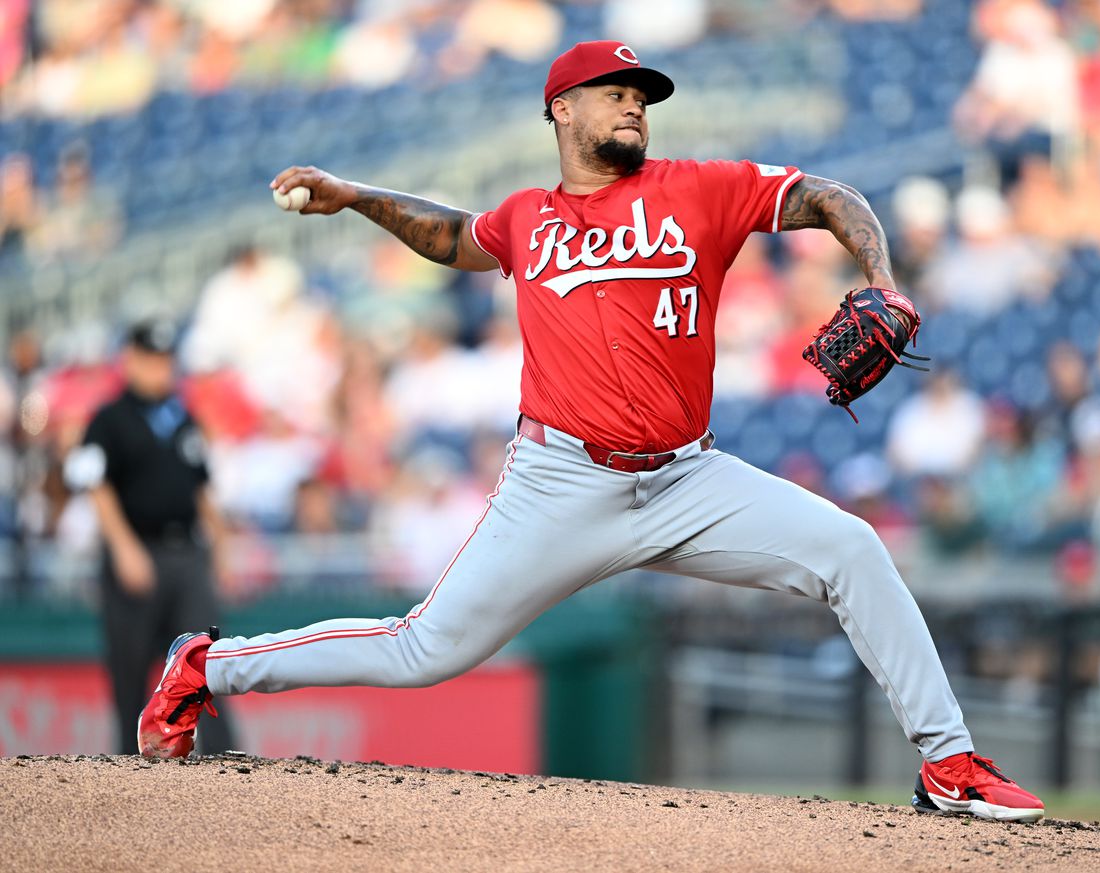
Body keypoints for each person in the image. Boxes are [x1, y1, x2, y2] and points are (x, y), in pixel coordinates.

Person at [138, 40, 1044, 822]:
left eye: (643, 98)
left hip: (689, 480)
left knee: (852, 549)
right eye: (617, 93)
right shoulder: (528, 219)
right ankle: (208, 667)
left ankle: (948, 762)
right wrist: (353, 194)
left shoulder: (703, 191)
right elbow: (451, 233)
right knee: (424, 649)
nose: (635, 108)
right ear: (562, 109)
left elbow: (828, 195)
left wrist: (882, 276)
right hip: (559, 484)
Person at [66, 318, 235, 755]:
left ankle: (226, 764)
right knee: (130, 673)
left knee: (206, 661)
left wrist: (221, 544)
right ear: (131, 360)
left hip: (187, 555)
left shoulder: (181, 418)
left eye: (166, 359)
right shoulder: (109, 419)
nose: (162, 368)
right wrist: (124, 548)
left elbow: (200, 486)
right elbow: (94, 484)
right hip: (137, 552)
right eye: (153, 359)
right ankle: (132, 770)